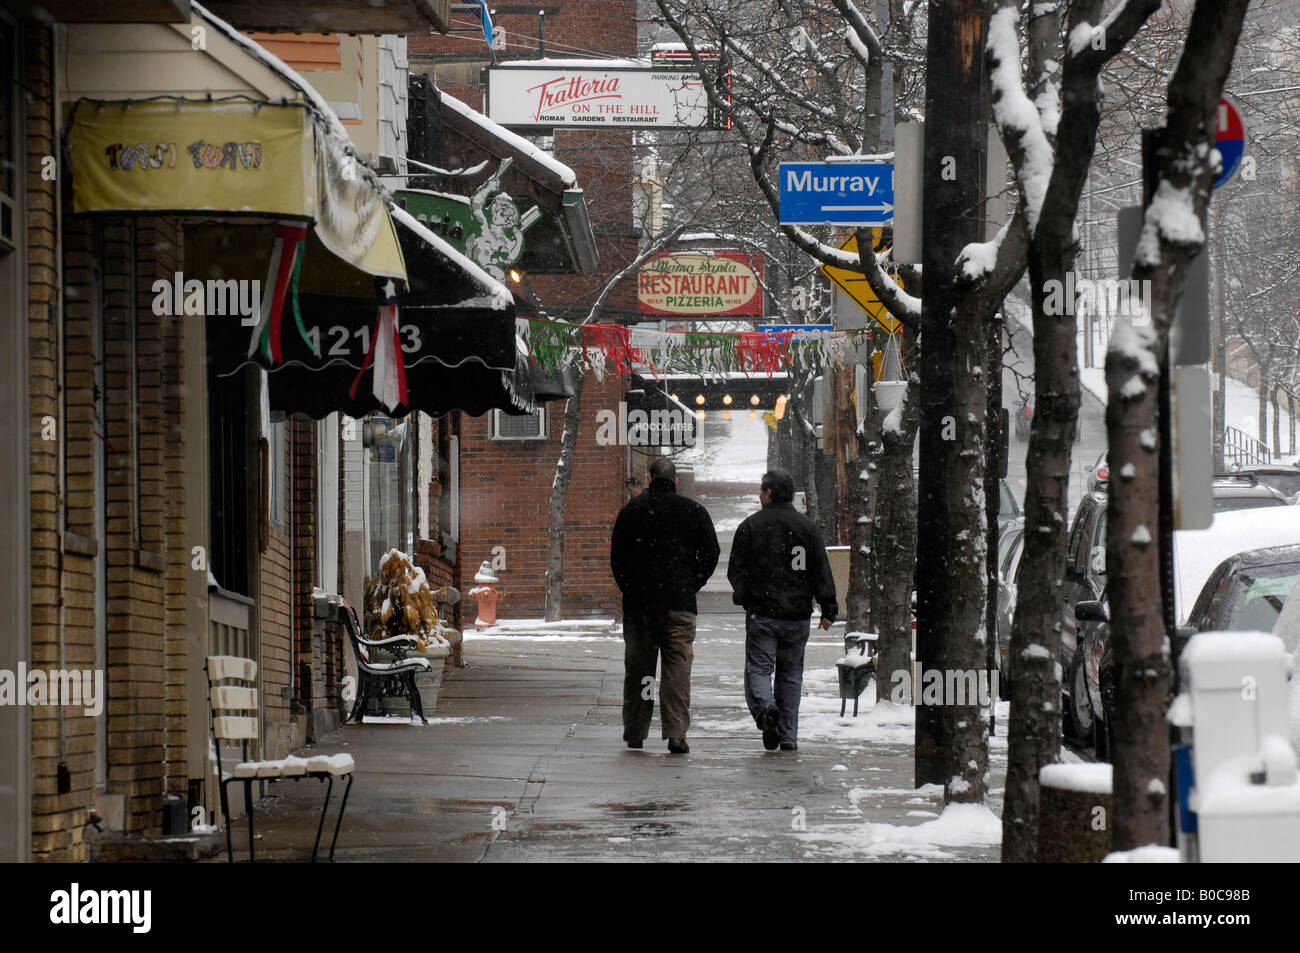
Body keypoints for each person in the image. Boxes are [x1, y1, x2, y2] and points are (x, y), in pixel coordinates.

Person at [610, 457, 720, 754]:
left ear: (649, 480)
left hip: (640, 607)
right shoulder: (694, 512)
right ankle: (675, 733)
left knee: (641, 670)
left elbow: (618, 560)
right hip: (679, 605)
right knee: (677, 671)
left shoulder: (631, 512)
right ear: (674, 482)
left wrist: (632, 589)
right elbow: (711, 554)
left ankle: (636, 730)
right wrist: (690, 583)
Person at [728, 470, 838, 751]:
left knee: (759, 668)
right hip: (798, 614)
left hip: (763, 613)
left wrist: (745, 596)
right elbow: (820, 570)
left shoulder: (750, 526)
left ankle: (765, 708)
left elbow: (735, 570)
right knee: (791, 674)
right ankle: (788, 735)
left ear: (768, 493)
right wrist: (828, 607)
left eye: (761, 491)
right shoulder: (808, 528)